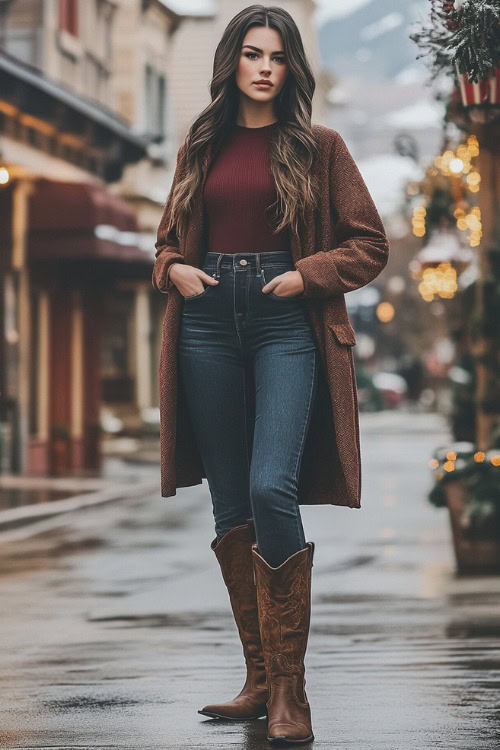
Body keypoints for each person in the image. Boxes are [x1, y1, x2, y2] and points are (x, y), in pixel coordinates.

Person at [152, 5, 389, 745]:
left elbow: (370, 243)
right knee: (232, 502)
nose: (263, 66)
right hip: (206, 324)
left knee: (268, 485)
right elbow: (164, 242)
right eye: (251, 53)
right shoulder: (201, 141)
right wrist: (176, 270)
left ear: (292, 67)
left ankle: (292, 690)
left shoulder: (319, 146)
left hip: (287, 322)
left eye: (277, 56)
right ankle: (258, 678)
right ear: (234, 62)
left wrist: (306, 275)